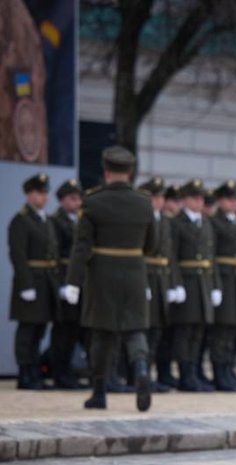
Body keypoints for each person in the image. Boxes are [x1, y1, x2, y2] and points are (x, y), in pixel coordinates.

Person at [63, 146, 156, 411]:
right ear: (129, 172)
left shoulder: (93, 201)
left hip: (102, 273)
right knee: (135, 330)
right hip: (135, 271)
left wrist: (73, 281)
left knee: (102, 334)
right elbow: (153, 245)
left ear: (106, 171)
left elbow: (81, 246)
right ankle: (140, 369)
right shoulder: (144, 202)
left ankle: (99, 393)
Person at [8, 172, 58, 390]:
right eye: (39, 193)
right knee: (27, 331)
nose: (44, 197)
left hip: (45, 283)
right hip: (30, 282)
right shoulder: (21, 220)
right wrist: (26, 285)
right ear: (29, 194)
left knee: (39, 330)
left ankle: (34, 373)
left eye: (45, 193)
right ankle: (24, 373)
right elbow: (18, 255)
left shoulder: (45, 220)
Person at [171, 178, 220, 392]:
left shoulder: (205, 222)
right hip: (188, 282)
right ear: (185, 200)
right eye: (195, 198)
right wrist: (175, 283)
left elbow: (212, 257)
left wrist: (216, 285)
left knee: (198, 332)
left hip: (204, 283)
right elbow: (171, 256)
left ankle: (195, 371)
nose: (199, 202)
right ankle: (185, 374)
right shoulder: (177, 223)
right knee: (185, 332)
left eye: (201, 198)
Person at [137, 176, 179, 392]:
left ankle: (149, 375)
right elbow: (137, 255)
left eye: (161, 196)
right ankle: (136, 375)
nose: (159, 200)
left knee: (156, 331)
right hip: (147, 278)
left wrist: (174, 283)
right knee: (143, 330)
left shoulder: (164, 220)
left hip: (161, 279)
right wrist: (141, 283)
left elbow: (170, 256)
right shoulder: (141, 219)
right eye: (155, 196)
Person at [209, 180, 236, 391]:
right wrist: (215, 284)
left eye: (235, 200)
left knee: (233, 329)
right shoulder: (214, 222)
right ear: (221, 200)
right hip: (224, 281)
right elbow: (212, 256)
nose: (234, 203)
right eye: (230, 199)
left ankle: (228, 370)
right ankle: (219, 372)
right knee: (222, 330)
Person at [49, 178, 85, 389]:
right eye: (72, 198)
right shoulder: (55, 221)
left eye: (78, 198)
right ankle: (58, 372)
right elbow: (54, 253)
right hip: (64, 278)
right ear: (62, 200)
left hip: (79, 280)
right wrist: (60, 284)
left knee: (74, 330)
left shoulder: (80, 220)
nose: (77, 202)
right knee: (62, 331)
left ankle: (68, 371)